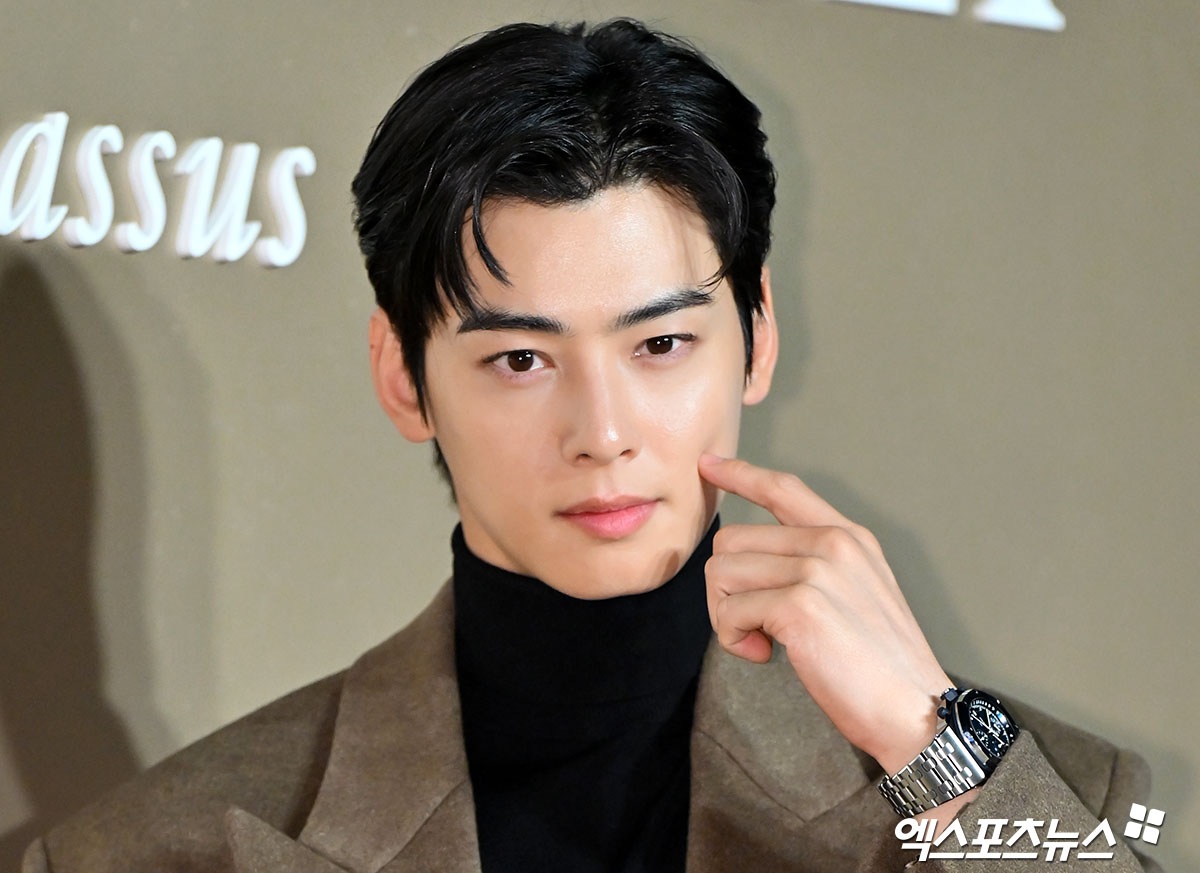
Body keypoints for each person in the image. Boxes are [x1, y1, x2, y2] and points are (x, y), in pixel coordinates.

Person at [24, 19, 1156, 873]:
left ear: (757, 337)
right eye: (522, 359)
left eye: (659, 344)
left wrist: (935, 749)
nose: (603, 434)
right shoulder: (151, 849)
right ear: (403, 376)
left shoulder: (1041, 797)